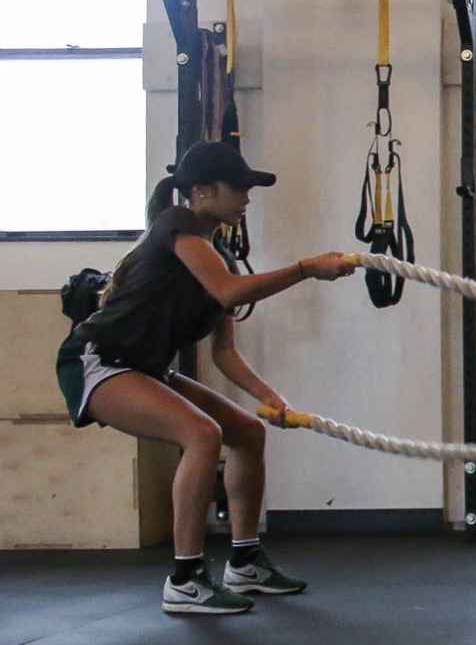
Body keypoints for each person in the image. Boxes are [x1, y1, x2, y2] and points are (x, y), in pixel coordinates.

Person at [54, 141, 356, 615]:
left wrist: (270, 397)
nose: (247, 198)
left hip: (146, 368)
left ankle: (245, 560)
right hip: (98, 361)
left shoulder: (220, 257)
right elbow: (229, 291)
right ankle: (185, 579)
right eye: (237, 188)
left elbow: (224, 353)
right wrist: (305, 269)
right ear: (200, 191)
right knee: (201, 434)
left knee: (247, 431)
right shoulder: (177, 228)